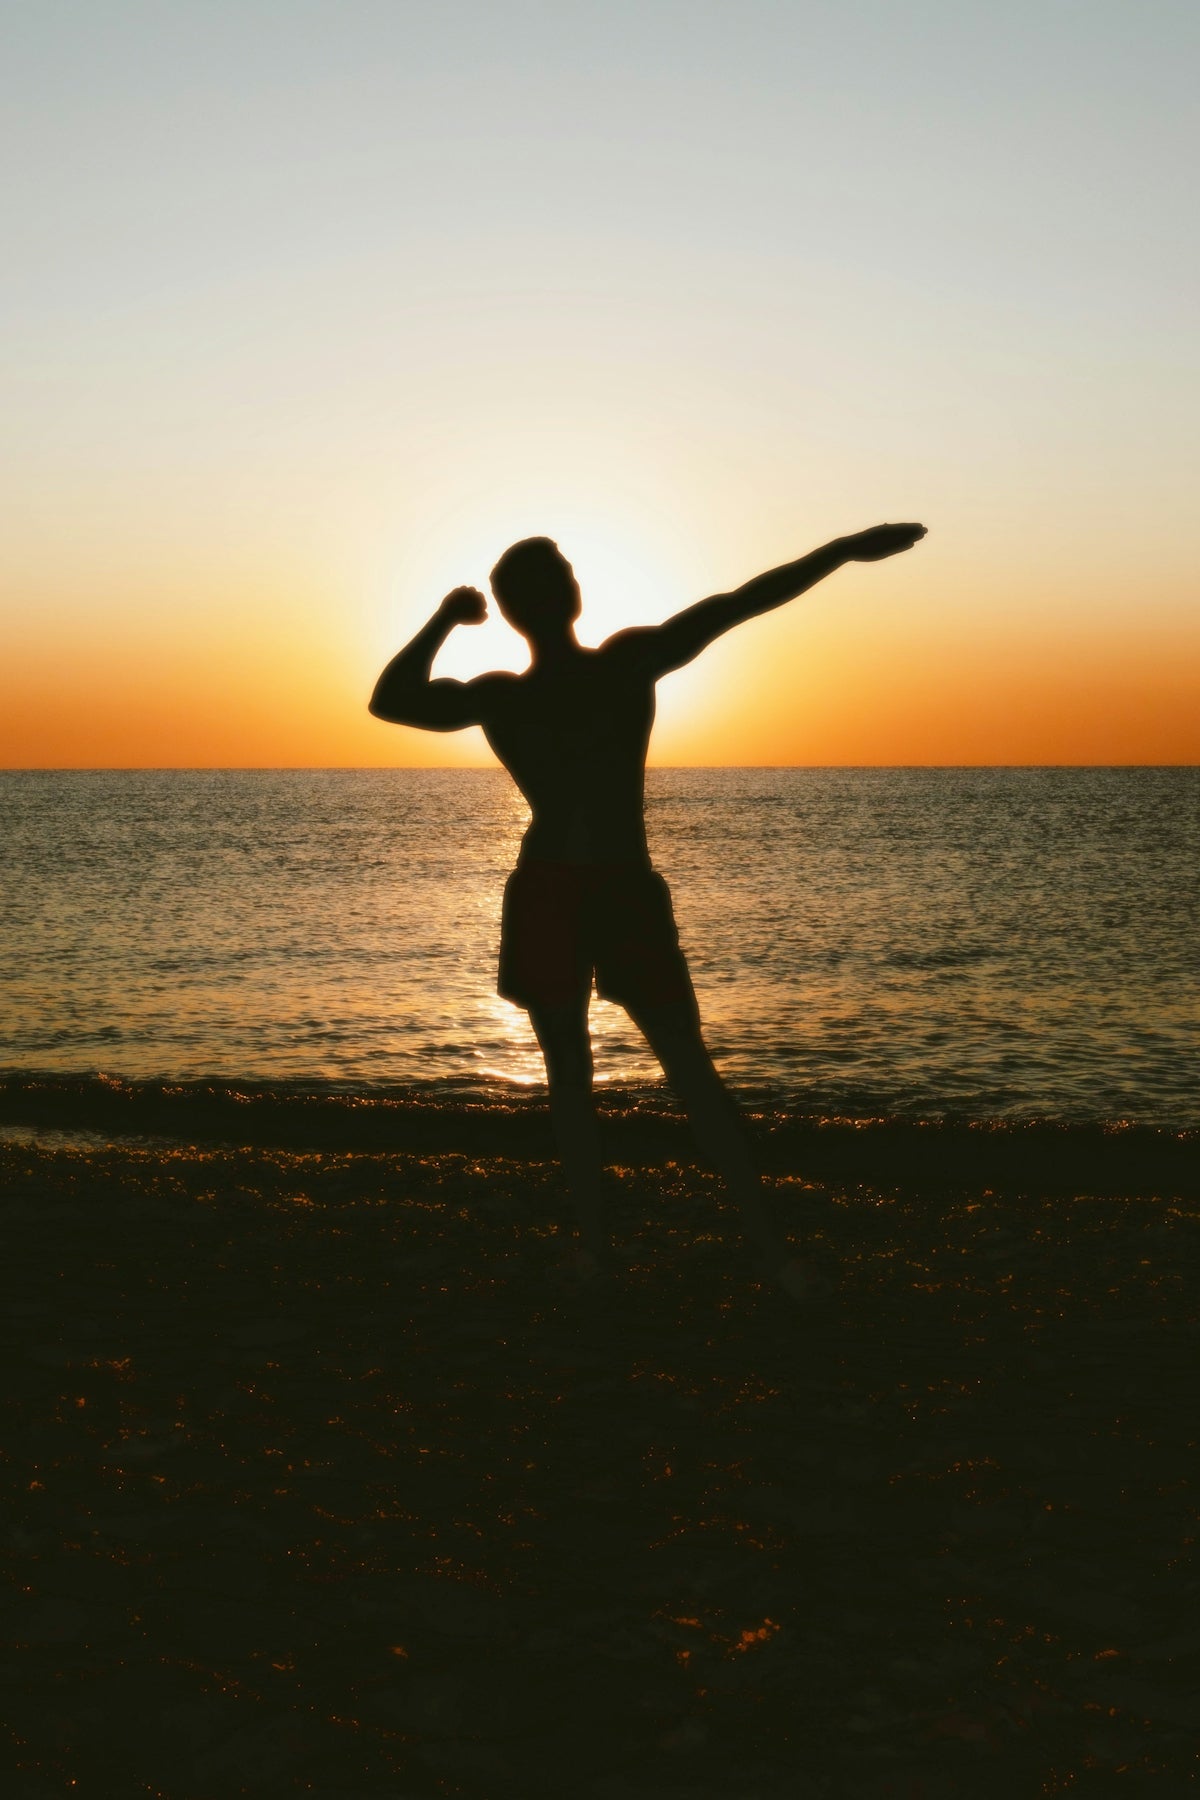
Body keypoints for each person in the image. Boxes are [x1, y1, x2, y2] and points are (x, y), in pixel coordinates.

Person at [369, 522, 926, 1298]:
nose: (569, 575)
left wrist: (445, 619)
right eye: (559, 569)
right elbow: (737, 603)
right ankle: (684, 1255)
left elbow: (736, 605)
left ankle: (708, 1253)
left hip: (591, 888)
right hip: (571, 890)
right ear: (550, 599)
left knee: (650, 1070)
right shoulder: (583, 673)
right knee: (623, 1072)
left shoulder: (556, 681)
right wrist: (839, 552)